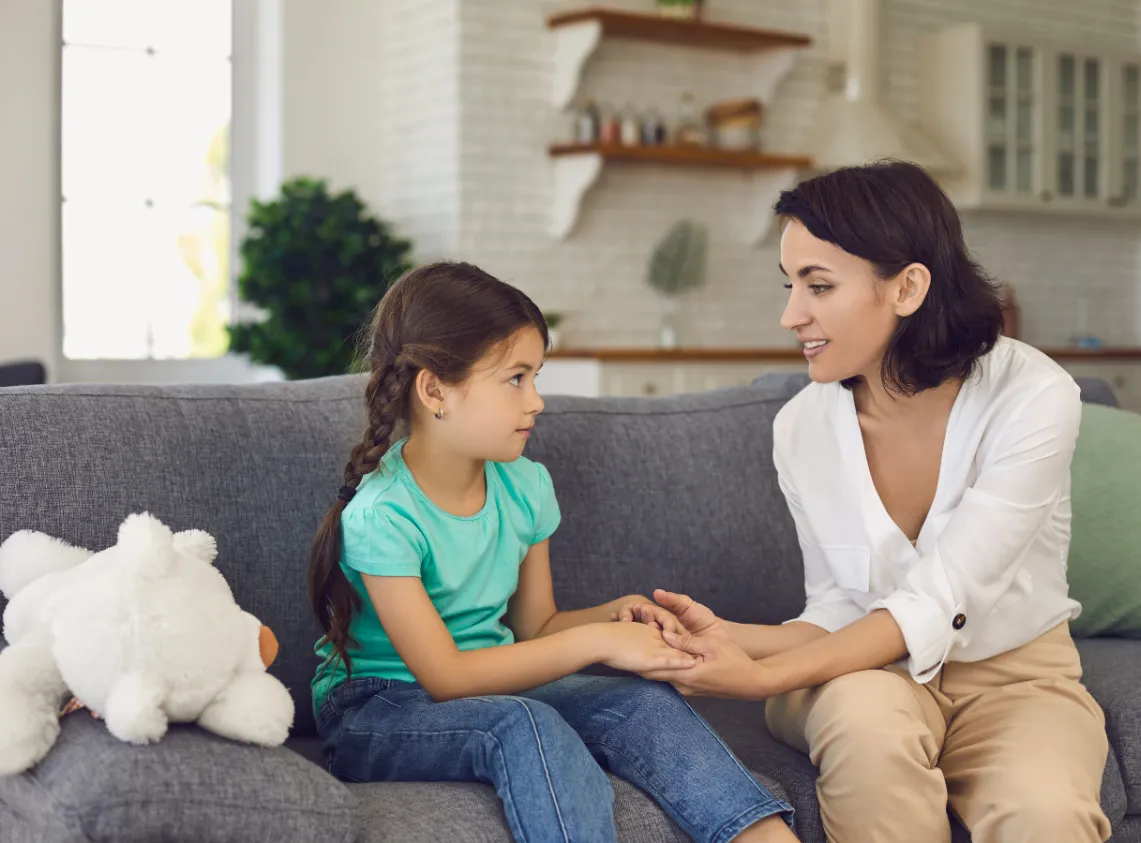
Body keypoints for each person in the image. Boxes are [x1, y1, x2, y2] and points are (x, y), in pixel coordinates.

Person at [626, 161, 1111, 843]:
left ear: (908, 286)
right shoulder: (800, 427)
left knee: (1045, 812)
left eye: (818, 285)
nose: (791, 314)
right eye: (791, 284)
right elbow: (836, 609)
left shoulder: (1031, 396)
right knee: (867, 731)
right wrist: (729, 639)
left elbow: (940, 599)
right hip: (863, 671)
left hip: (1015, 679)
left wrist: (755, 678)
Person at [308, 262, 798, 843]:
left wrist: (617, 614)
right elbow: (444, 677)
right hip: (375, 710)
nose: (537, 401)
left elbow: (536, 626)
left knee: (643, 702)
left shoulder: (526, 486)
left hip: (495, 687)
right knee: (524, 725)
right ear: (435, 389)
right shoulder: (383, 513)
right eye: (516, 378)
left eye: (536, 376)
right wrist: (596, 642)